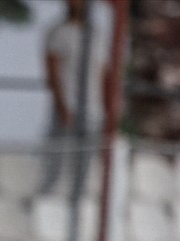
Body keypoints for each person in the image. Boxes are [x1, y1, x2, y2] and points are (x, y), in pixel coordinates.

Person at [43, 0, 111, 189]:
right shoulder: (59, 32)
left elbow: (103, 73)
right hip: (68, 108)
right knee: (57, 159)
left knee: (85, 163)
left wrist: (107, 110)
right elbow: (53, 74)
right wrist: (62, 107)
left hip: (92, 110)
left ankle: (79, 200)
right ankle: (49, 198)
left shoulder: (97, 34)